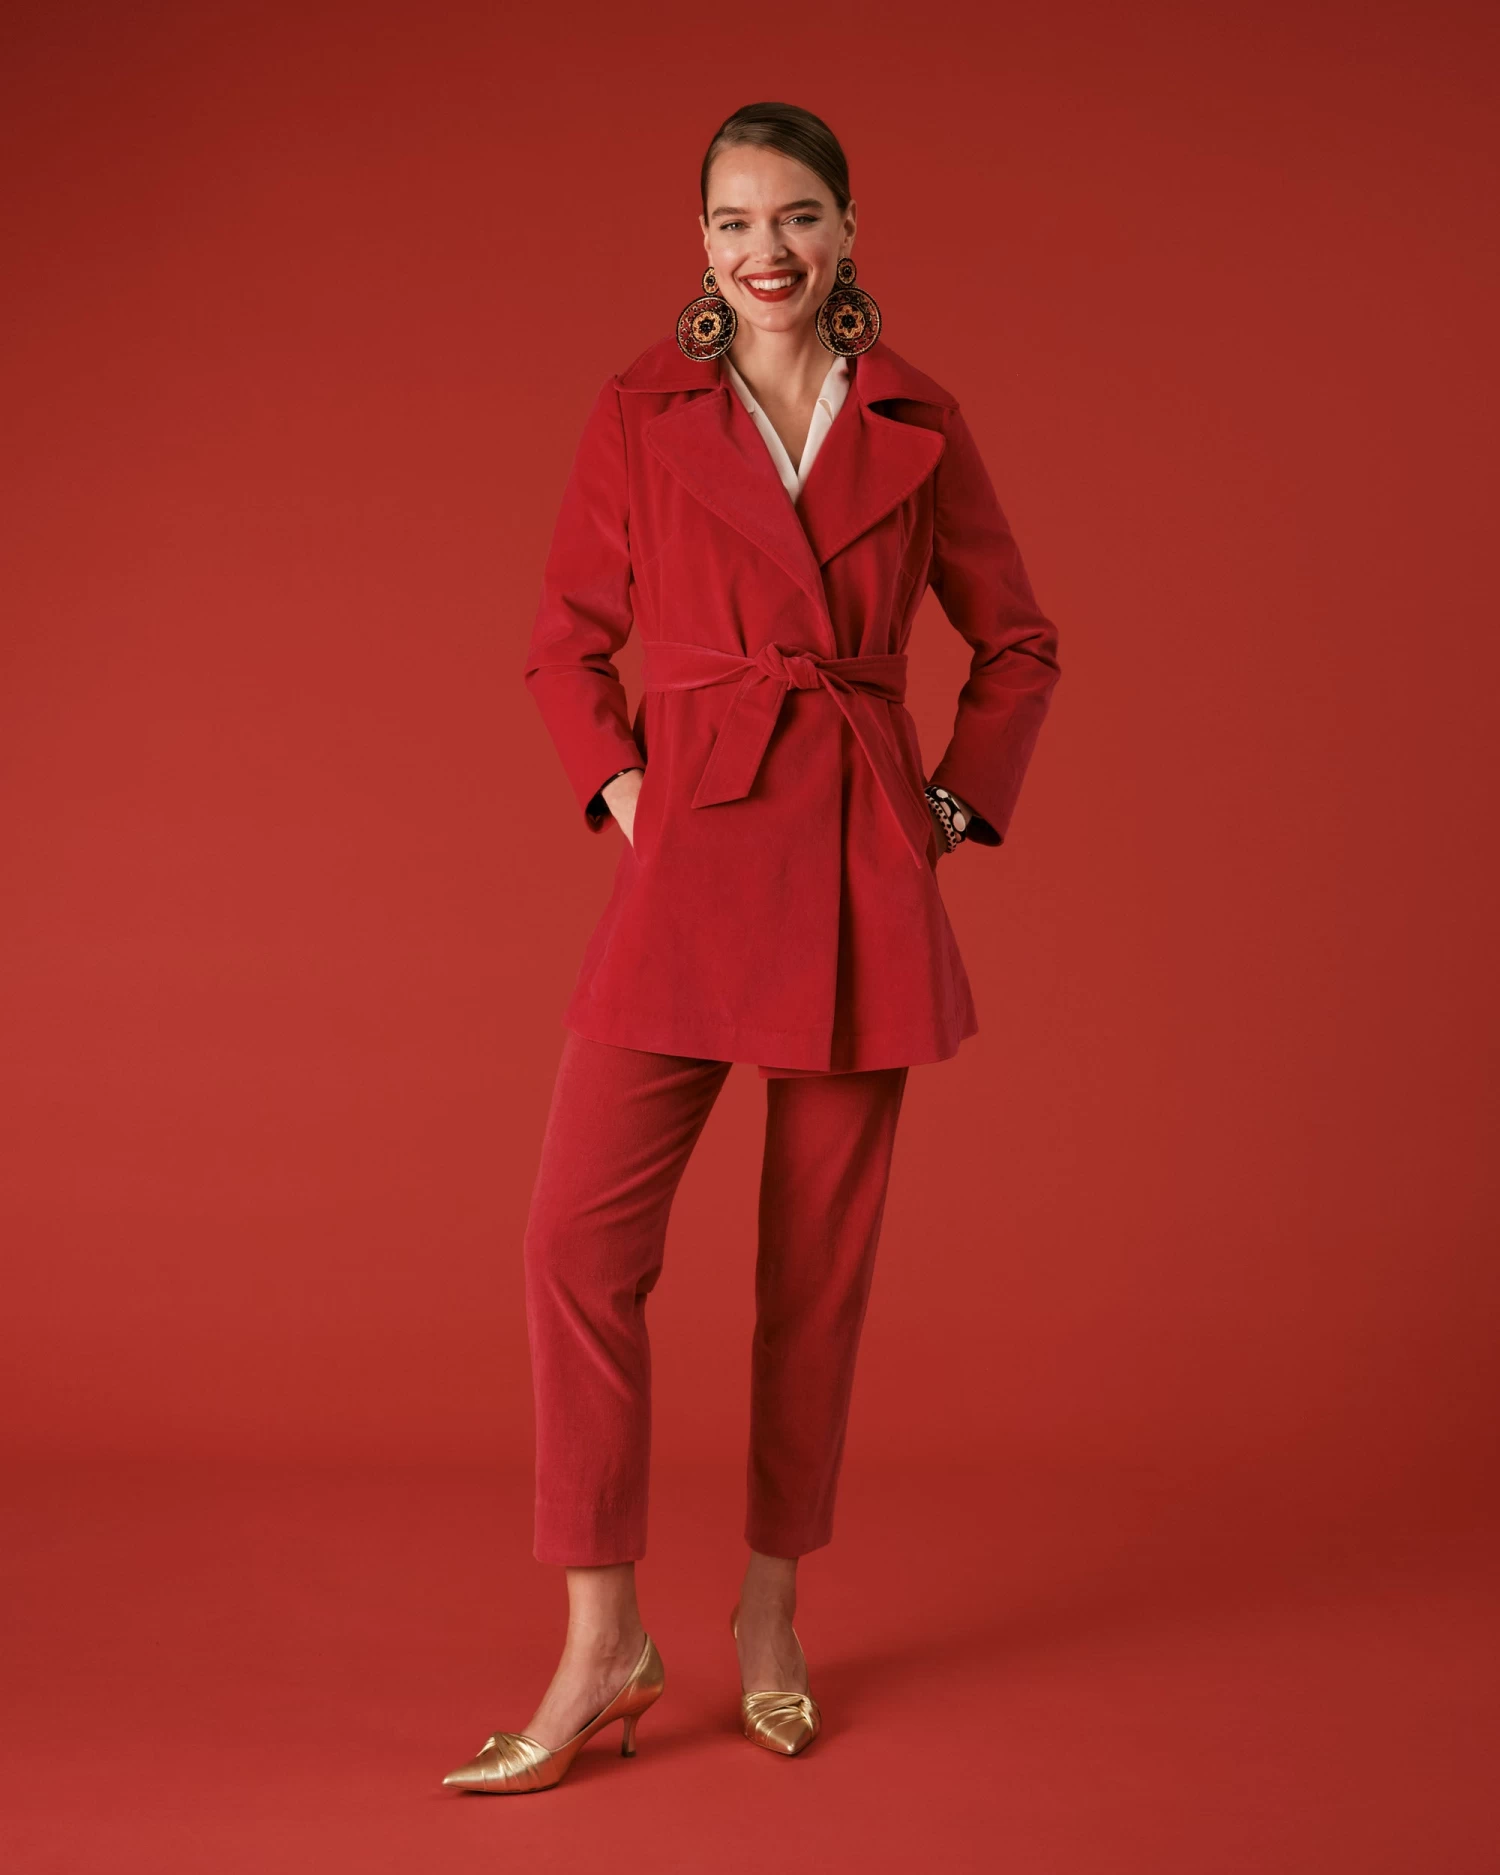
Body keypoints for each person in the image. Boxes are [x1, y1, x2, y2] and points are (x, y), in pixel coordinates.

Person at [442, 99, 1061, 1794]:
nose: (764, 251)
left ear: (848, 227)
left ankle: (771, 1613)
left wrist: (948, 808)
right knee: (577, 1241)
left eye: (795, 216)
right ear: (700, 241)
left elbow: (1017, 642)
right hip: (695, 849)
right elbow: (565, 643)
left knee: (815, 1274)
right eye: (733, 221)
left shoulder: (919, 419)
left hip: (858, 866)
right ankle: (603, 1639)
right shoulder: (640, 409)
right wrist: (629, 791)